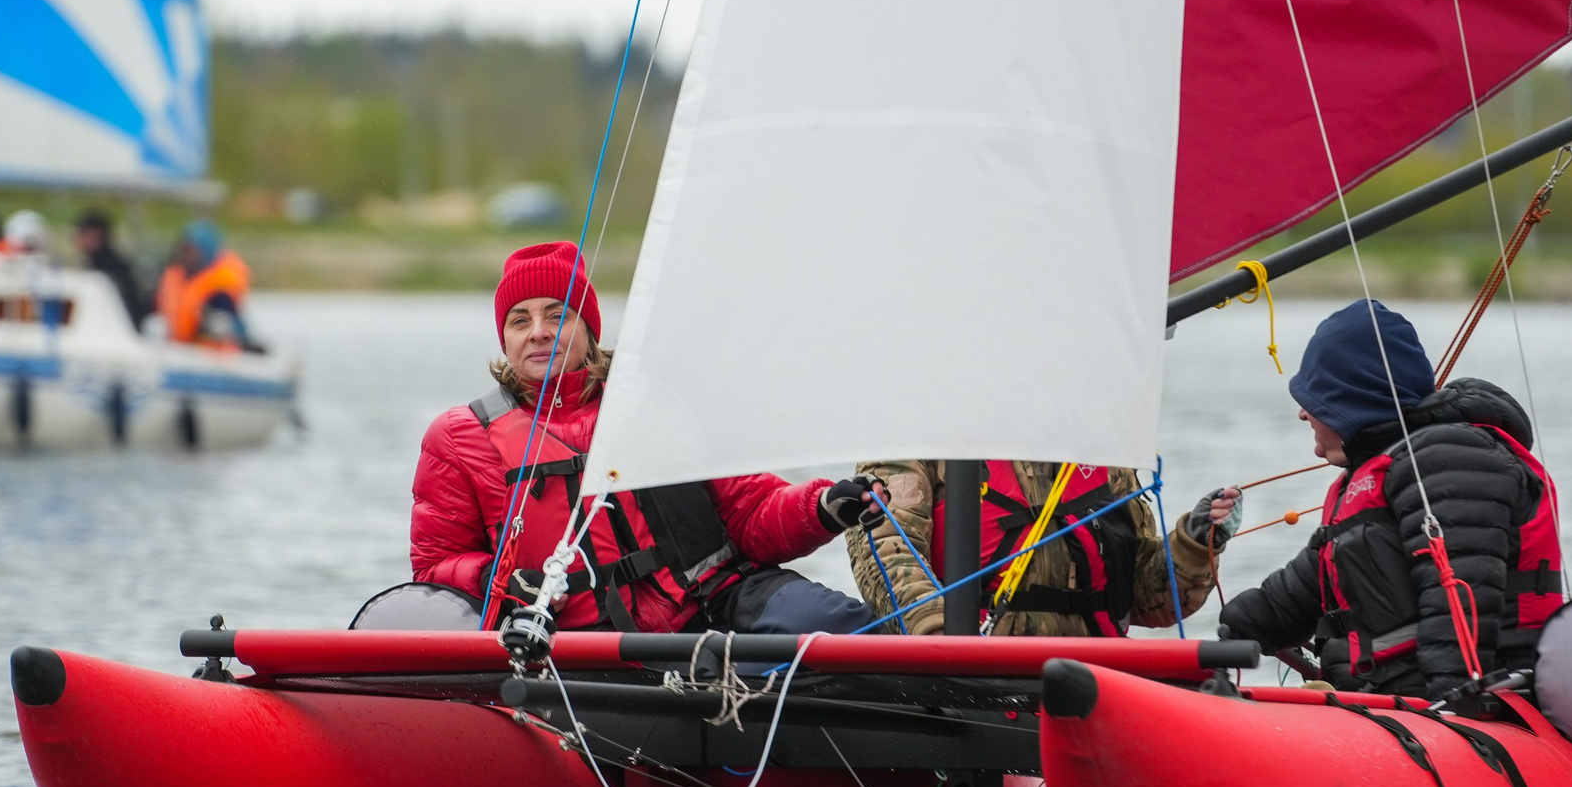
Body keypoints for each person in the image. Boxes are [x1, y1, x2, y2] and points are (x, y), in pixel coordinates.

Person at [410, 241, 887, 635]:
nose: (539, 333)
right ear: (505, 339)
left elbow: (751, 511)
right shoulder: (458, 437)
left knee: (837, 624)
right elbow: (434, 570)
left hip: (714, 606)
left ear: (588, 329)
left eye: (558, 316)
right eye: (521, 320)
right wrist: (497, 580)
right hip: (569, 644)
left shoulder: (663, 405)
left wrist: (823, 507)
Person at [1217, 299, 1564, 700]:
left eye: (1314, 398)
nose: (1302, 414)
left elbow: (1460, 599)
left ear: (1352, 399)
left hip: (1461, 708)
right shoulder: (1375, 476)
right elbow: (1302, 589)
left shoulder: (1449, 458)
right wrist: (1236, 629)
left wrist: (1453, 709)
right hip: (1385, 703)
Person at [847, 458, 1234, 636]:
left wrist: (1193, 546)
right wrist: (937, 638)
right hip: (977, 679)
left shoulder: (1100, 451)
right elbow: (886, 548)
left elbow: (1145, 601)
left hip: (1094, 684)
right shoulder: (919, 444)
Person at [157, 221, 253, 349]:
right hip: (180, 348)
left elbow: (224, 324)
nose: (187, 257)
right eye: (184, 251)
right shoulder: (175, 278)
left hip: (212, 352)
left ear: (206, 252)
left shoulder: (220, 290)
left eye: (192, 252)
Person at [74, 208, 153, 328]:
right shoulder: (106, 263)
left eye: (83, 232)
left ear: (98, 234)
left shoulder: (109, 269)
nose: (78, 237)